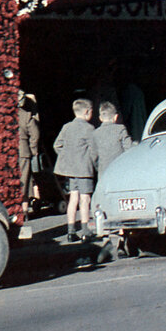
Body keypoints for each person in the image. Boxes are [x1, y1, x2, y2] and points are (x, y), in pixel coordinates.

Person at [54, 98, 98, 243]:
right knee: (85, 199)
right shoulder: (89, 129)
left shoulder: (67, 127)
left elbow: (57, 145)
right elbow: (94, 151)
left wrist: (68, 157)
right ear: (87, 112)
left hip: (71, 170)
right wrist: (95, 165)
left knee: (73, 199)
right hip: (84, 170)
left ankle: (71, 232)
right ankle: (85, 231)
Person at [18, 89, 41, 219]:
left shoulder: (3, 115)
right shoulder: (26, 115)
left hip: (7, 153)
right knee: (24, 181)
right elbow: (35, 134)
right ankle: (24, 211)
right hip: (23, 151)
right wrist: (32, 149)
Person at [94, 101, 133, 176]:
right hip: (120, 168)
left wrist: (98, 168)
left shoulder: (95, 133)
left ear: (100, 118)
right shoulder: (120, 129)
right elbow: (129, 148)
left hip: (103, 171)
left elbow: (94, 155)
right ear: (116, 117)